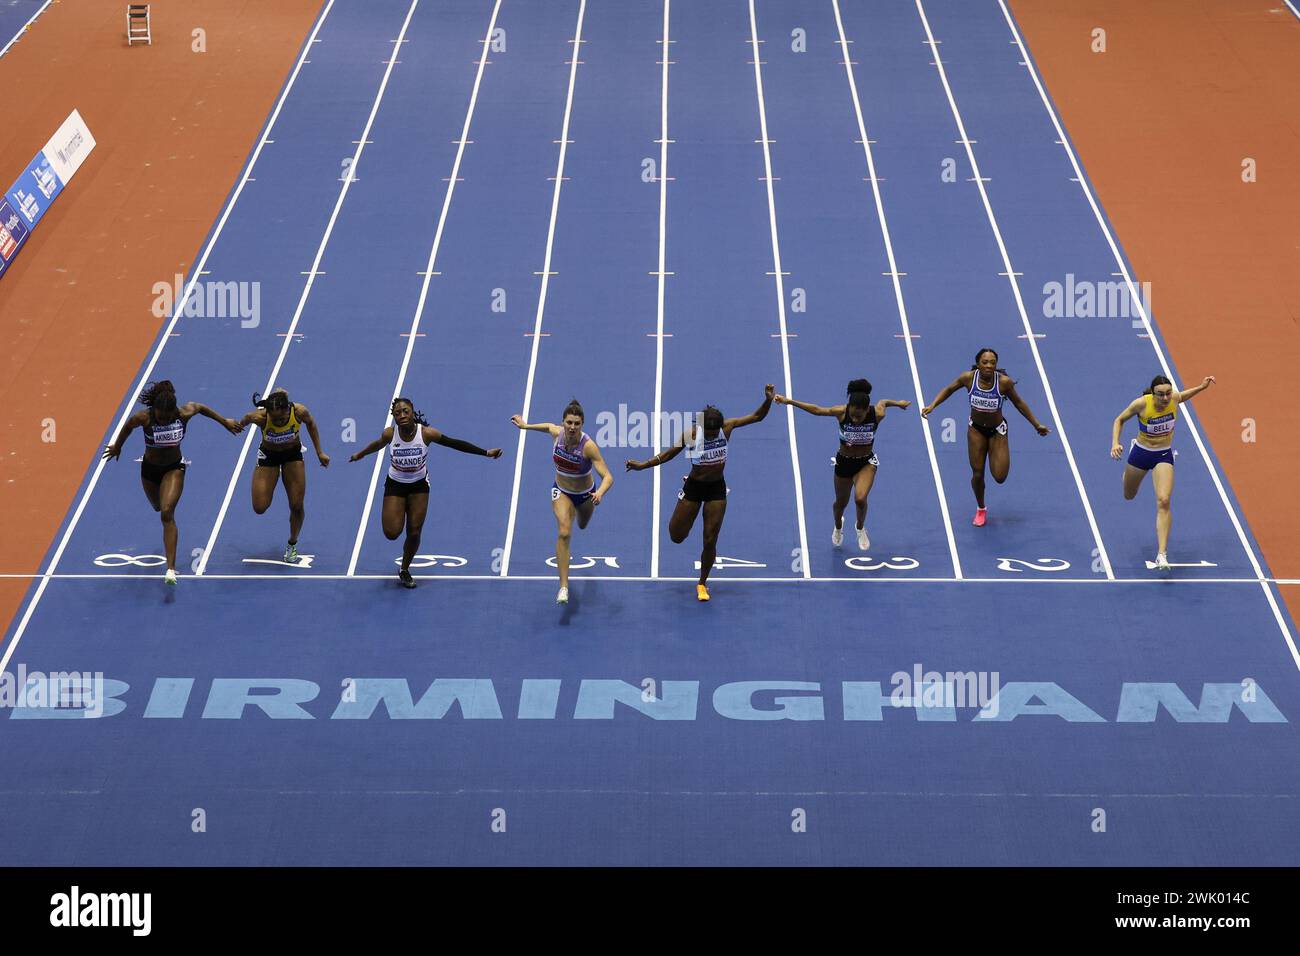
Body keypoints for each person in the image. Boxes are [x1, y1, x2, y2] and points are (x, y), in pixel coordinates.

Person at [626, 384, 774, 602]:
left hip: (716, 489)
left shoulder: (727, 427)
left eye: (716, 433)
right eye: (710, 433)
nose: (714, 436)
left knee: (710, 539)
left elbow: (757, 416)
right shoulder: (692, 434)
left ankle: (702, 583)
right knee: (676, 536)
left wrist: (768, 400)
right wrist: (642, 465)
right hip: (694, 487)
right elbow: (668, 455)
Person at [102, 380, 243, 584]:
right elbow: (126, 428)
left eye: (168, 417)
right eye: (161, 417)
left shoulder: (183, 414)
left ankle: (170, 570)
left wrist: (225, 422)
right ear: (154, 410)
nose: (165, 420)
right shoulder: (143, 417)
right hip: (149, 470)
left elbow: (200, 407)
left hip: (173, 468)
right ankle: (168, 552)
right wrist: (118, 446)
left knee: (167, 513)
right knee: (158, 507)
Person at [351, 397, 501, 588]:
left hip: (419, 486)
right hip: (395, 485)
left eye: (405, 411)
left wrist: (486, 452)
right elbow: (377, 444)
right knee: (391, 532)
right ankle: (400, 511)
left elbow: (454, 443)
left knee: (414, 532)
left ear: (413, 412)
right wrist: (360, 454)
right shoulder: (390, 434)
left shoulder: (427, 434)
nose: (402, 415)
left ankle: (404, 569)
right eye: (397, 413)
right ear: (394, 417)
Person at [921, 348, 1050, 526]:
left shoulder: (1004, 383)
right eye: (985, 362)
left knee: (999, 477)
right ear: (978, 364)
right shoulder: (968, 378)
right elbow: (949, 389)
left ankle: (996, 453)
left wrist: (1037, 424)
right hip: (976, 430)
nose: (989, 366)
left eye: (992, 362)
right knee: (978, 474)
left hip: (997, 431)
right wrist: (932, 405)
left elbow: (1019, 403)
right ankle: (981, 508)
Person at [777, 378, 910, 550]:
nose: (854, 418)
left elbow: (883, 402)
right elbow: (817, 410)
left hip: (866, 463)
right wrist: (789, 401)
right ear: (849, 407)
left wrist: (898, 403)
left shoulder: (877, 414)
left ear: (865, 411)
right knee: (840, 504)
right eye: (853, 414)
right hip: (844, 463)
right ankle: (838, 527)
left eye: (859, 416)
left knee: (860, 499)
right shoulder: (841, 412)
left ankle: (860, 528)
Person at [511, 400, 614, 604]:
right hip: (562, 491)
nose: (572, 427)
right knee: (565, 531)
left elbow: (608, 476)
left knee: (582, 525)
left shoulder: (589, 447)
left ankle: (574, 513)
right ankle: (563, 587)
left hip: (586, 494)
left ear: (582, 424)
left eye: (577, 423)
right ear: (564, 422)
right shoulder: (557, 433)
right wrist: (525, 425)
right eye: (569, 422)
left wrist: (600, 493)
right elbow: (548, 426)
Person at [1110, 373, 1215, 571]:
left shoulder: (1174, 398)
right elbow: (1119, 419)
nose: (1165, 398)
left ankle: (1162, 554)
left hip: (1163, 454)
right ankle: (1129, 472)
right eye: (1160, 394)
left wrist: (1201, 387)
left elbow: (1182, 396)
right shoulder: (1141, 404)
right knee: (1129, 495)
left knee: (1164, 500)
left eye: (1168, 393)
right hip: (1141, 453)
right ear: (1152, 393)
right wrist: (1115, 442)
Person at [240, 388, 329, 563]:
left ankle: (292, 544)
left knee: (296, 505)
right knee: (259, 507)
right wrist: (234, 425)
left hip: (292, 456)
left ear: (288, 409)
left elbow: (311, 424)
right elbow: (243, 421)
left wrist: (320, 452)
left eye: (282, 418)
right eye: (275, 419)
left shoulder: (299, 411)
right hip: (269, 457)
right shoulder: (259, 418)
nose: (279, 421)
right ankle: (272, 474)